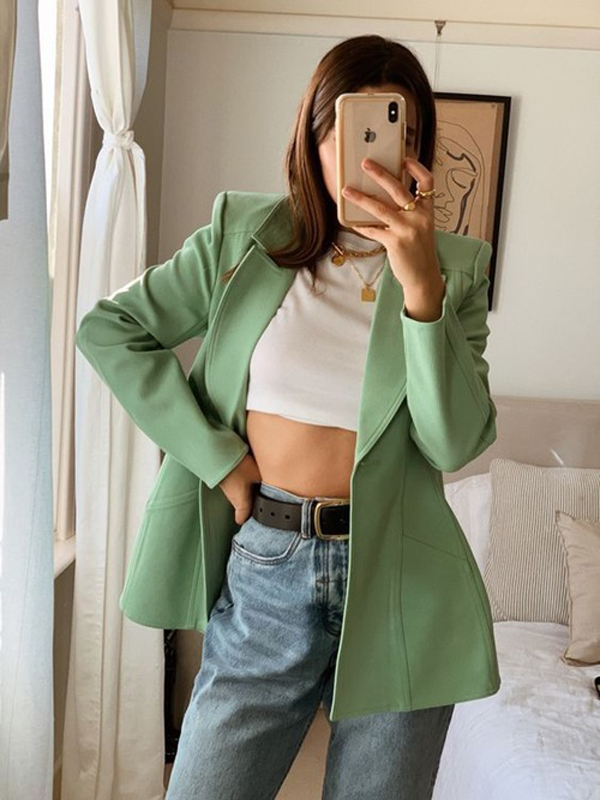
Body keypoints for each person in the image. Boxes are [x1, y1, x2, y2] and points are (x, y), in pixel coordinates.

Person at [76, 34, 500, 800]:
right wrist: (220, 458)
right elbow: (110, 331)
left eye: (394, 133)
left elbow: (453, 442)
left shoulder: (454, 271)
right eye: (349, 128)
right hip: (268, 563)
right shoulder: (245, 239)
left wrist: (421, 288)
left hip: (404, 580)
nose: (369, 155)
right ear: (313, 133)